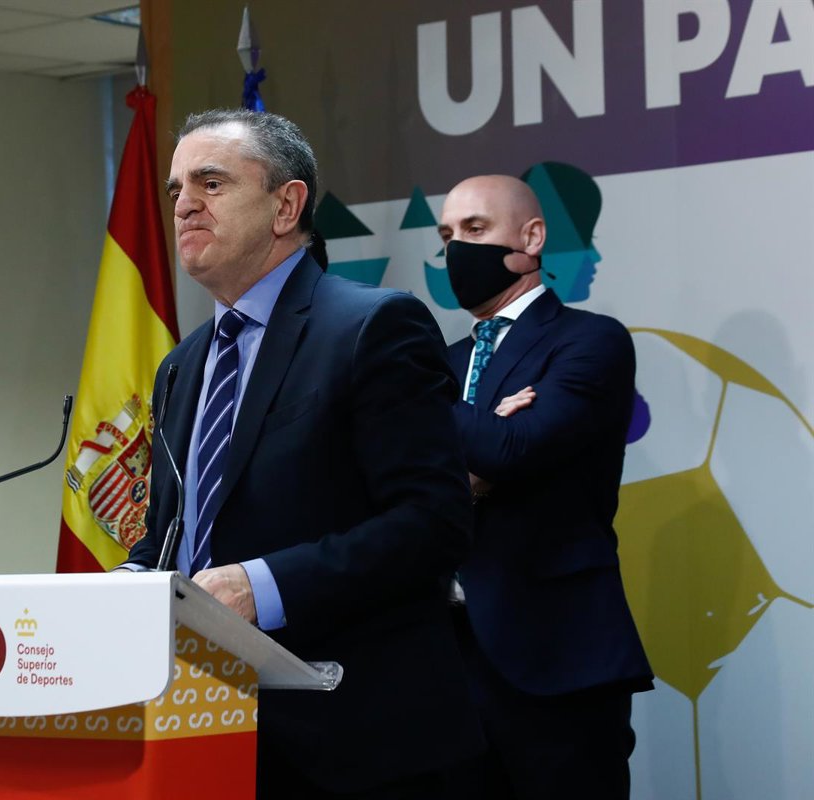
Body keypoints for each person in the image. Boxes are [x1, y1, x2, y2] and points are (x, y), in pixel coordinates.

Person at [121, 109, 483, 798]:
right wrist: (130, 580)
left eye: (211, 183)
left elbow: (432, 523)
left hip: (354, 736)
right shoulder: (181, 365)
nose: (184, 205)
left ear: (286, 206)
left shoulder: (373, 326)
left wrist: (258, 587)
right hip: (204, 727)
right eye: (175, 190)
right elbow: (175, 530)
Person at [436, 174, 654, 799]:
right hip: (447, 666)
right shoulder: (444, 363)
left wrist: (424, 399)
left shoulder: (589, 340)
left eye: (475, 229)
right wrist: (478, 452)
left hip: (556, 658)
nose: (457, 249)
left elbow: (515, 450)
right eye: (447, 236)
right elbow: (406, 493)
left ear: (531, 239)